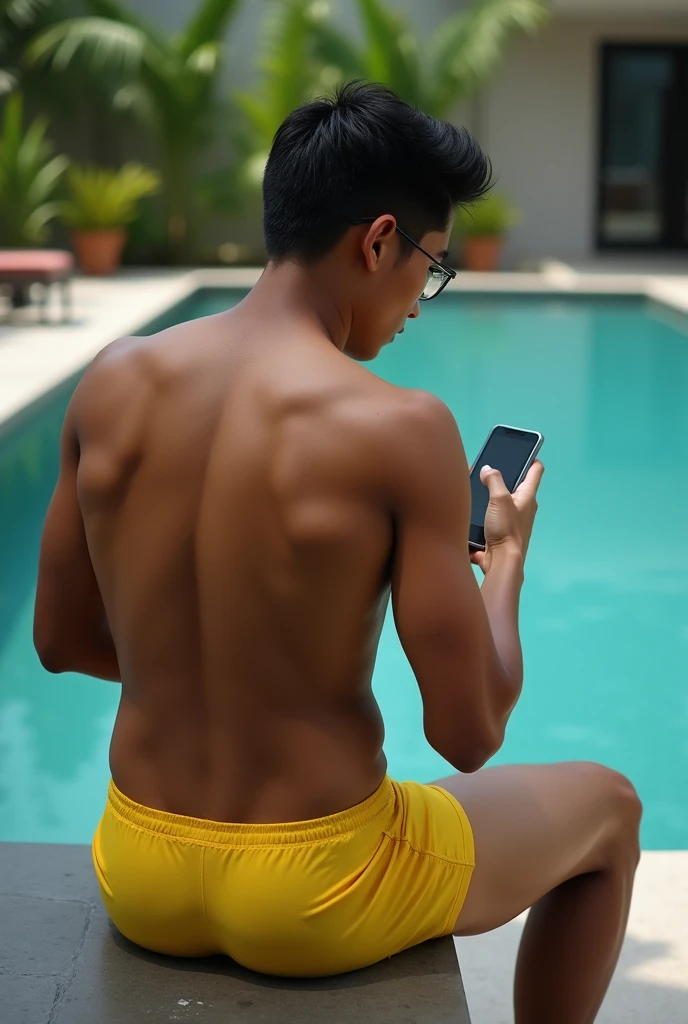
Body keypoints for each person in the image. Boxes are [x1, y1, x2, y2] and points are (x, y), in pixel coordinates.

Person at [34, 83, 640, 1021]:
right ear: (377, 241)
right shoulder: (397, 427)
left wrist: (213, 675)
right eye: (429, 269)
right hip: (319, 889)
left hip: (139, 868)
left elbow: (60, 640)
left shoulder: (114, 381)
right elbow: (471, 733)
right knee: (611, 806)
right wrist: (507, 563)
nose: (417, 304)